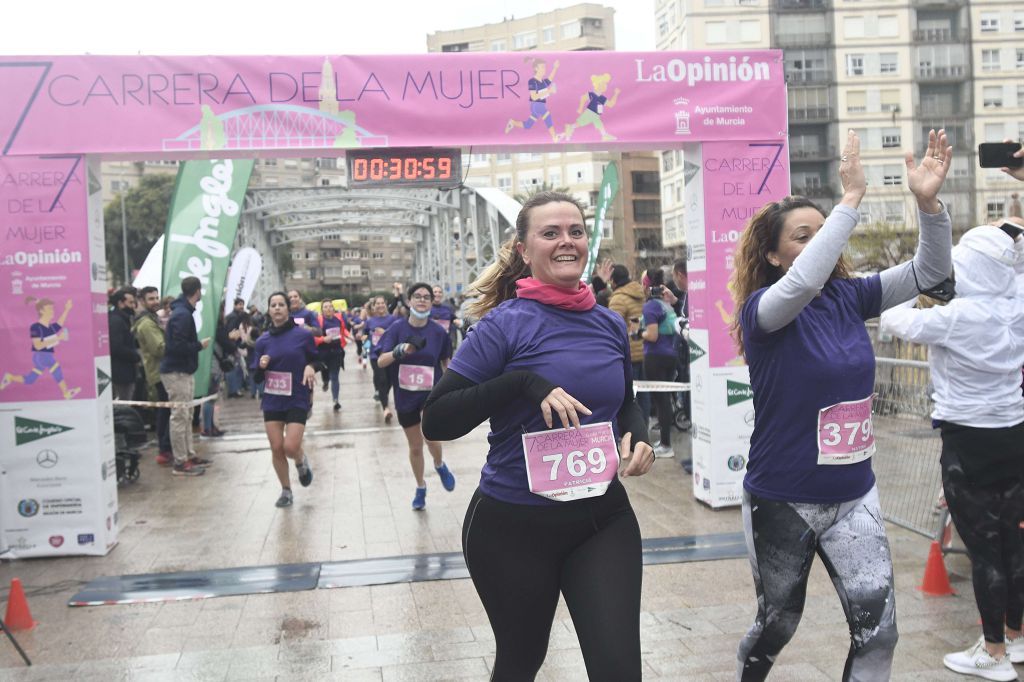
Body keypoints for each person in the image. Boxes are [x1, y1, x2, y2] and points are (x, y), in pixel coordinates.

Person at [729, 129, 954, 680]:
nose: (819, 243)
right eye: (804, 235)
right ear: (775, 255)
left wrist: (929, 205)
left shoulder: (851, 297)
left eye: (824, 232)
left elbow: (930, 273)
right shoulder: (764, 312)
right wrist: (848, 202)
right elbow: (804, 283)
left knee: (881, 634)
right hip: (784, 498)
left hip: (854, 494)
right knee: (779, 622)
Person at [421, 191, 655, 681]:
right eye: (550, 233)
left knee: (619, 671)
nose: (566, 241)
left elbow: (627, 402)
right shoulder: (504, 326)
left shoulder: (610, 323)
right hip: (513, 527)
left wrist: (638, 436)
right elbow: (437, 418)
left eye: (575, 231)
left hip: (602, 519)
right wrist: (523, 383)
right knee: (521, 660)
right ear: (524, 250)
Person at [880, 220, 1024, 681]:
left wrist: (918, 278)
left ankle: (994, 654)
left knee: (984, 550)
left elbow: (892, 317)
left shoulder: (955, 317)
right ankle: (1016, 636)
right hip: (1014, 434)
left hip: (968, 442)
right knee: (1014, 545)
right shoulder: (1017, 304)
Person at [375, 282, 456, 510]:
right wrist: (400, 351)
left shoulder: (439, 332)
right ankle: (420, 487)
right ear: (409, 300)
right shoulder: (396, 329)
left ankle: (439, 465)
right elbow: (381, 361)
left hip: (432, 394)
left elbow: (446, 362)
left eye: (426, 297)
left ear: (432, 302)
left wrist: (454, 386)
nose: (422, 300)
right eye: (417, 296)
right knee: (415, 447)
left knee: (431, 437)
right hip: (405, 396)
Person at [251, 292, 318, 508]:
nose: (277, 308)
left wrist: (310, 366)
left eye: (281, 304)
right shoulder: (262, 341)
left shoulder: (303, 336)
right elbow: (256, 377)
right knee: (277, 447)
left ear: (289, 309)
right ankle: (286, 490)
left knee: (290, 446)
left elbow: (318, 360)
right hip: (272, 399)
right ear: (269, 310)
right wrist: (261, 367)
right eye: (273, 305)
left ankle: (300, 460)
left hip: (297, 397)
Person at [159, 276, 212, 477]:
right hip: (176, 372)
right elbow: (176, 346)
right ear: (197, 291)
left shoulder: (181, 312)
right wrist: (199, 346)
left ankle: (188, 455)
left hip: (182, 371)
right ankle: (180, 462)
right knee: (180, 417)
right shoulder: (183, 315)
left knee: (187, 415)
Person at [1, 296, 79, 399]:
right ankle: (66, 393)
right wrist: (58, 338)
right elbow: (38, 345)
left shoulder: (50, 327)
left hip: (45, 355)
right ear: (41, 311)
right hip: (41, 356)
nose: (52, 311)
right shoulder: (35, 327)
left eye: (52, 308)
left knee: (30, 379)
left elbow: (60, 323)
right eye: (49, 309)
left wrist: (67, 309)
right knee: (56, 369)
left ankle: (10, 377)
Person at [639, 268, 678, 458]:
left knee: (661, 401)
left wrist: (639, 334)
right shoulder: (666, 303)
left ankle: (666, 445)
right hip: (671, 354)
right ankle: (665, 441)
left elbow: (652, 335)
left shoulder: (650, 306)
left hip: (655, 355)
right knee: (665, 401)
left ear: (646, 285)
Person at [133, 286, 172, 465]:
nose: (155, 301)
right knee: (164, 412)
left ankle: (166, 448)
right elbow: (159, 348)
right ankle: (164, 449)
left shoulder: (152, 319)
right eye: (151, 298)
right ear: (142, 301)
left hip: (160, 371)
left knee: (165, 411)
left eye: (156, 297)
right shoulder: (147, 324)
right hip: (159, 373)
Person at [607, 263, 651, 424]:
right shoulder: (640, 294)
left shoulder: (618, 299)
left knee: (629, 397)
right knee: (644, 395)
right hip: (643, 349)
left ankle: (632, 432)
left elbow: (613, 330)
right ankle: (643, 427)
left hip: (628, 354)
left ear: (613, 280)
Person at [505, 58, 561, 142]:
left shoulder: (543, 82)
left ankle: (513, 122)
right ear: (536, 68)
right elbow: (534, 97)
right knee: (547, 117)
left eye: (544, 67)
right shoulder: (532, 81)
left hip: (539, 105)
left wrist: (555, 68)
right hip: (536, 104)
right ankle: (554, 137)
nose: (544, 69)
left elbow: (550, 79)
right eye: (542, 67)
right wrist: (549, 91)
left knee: (528, 125)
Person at [365, 296, 399, 423]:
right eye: (377, 304)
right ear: (374, 306)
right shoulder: (370, 321)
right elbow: (365, 334)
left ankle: (383, 395)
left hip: (390, 354)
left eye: (382, 303)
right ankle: (385, 408)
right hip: (375, 355)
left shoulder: (393, 320)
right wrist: (362, 338)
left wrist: (384, 332)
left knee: (389, 380)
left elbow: (397, 335)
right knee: (382, 379)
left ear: (386, 304)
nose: (380, 305)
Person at [108, 288, 140, 401]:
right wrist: (135, 356)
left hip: (125, 371)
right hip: (121, 374)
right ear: (121, 303)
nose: (133, 306)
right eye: (130, 303)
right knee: (123, 404)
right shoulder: (117, 321)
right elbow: (116, 347)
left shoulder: (123, 319)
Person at [317, 299, 346, 411]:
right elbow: (315, 336)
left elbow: (343, 331)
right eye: (325, 307)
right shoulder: (319, 321)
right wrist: (323, 339)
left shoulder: (338, 320)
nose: (328, 309)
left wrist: (347, 338)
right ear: (322, 310)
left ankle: (336, 400)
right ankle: (325, 382)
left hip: (336, 352)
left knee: (334, 376)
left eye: (330, 306)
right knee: (325, 374)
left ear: (333, 308)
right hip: (323, 353)